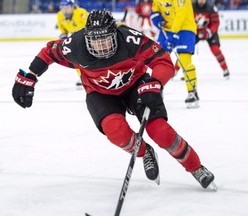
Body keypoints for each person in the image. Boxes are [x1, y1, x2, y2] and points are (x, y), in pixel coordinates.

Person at [12, 9, 216, 190]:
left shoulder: (129, 39)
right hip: (100, 93)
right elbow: (48, 52)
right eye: (95, 41)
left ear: (115, 34)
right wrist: (30, 76)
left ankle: (196, 167)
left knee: (160, 131)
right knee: (116, 132)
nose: (100, 46)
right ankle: (145, 152)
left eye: (105, 40)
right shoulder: (75, 45)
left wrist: (155, 82)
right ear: (86, 38)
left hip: (137, 85)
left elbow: (163, 60)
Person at [151, 0, 199, 108]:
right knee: (158, 61)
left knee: (184, 61)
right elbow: (155, 11)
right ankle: (157, 90)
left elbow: (181, 14)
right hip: (166, 30)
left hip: (185, 28)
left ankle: (192, 92)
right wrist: (156, 19)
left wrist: (173, 34)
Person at [193, 0, 230, 79]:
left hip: (209, 32)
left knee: (216, 50)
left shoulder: (211, 7)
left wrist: (209, 32)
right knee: (185, 51)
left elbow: (215, 23)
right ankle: (180, 71)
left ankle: (225, 69)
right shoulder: (191, 6)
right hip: (195, 32)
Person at [57, 0, 89, 87]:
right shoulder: (60, 15)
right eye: (63, 8)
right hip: (76, 38)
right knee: (76, 58)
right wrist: (63, 36)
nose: (64, 10)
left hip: (88, 36)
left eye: (67, 8)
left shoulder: (81, 13)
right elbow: (64, 31)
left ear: (72, 7)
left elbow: (89, 27)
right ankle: (82, 76)